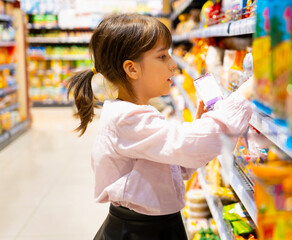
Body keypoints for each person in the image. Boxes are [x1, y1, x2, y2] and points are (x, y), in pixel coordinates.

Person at [67, 13, 253, 240]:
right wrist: (245, 94)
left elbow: (174, 164)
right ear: (132, 69)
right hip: (140, 232)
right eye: (163, 56)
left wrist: (197, 126)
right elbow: (187, 148)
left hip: (157, 226)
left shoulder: (137, 113)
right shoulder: (127, 119)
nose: (173, 64)